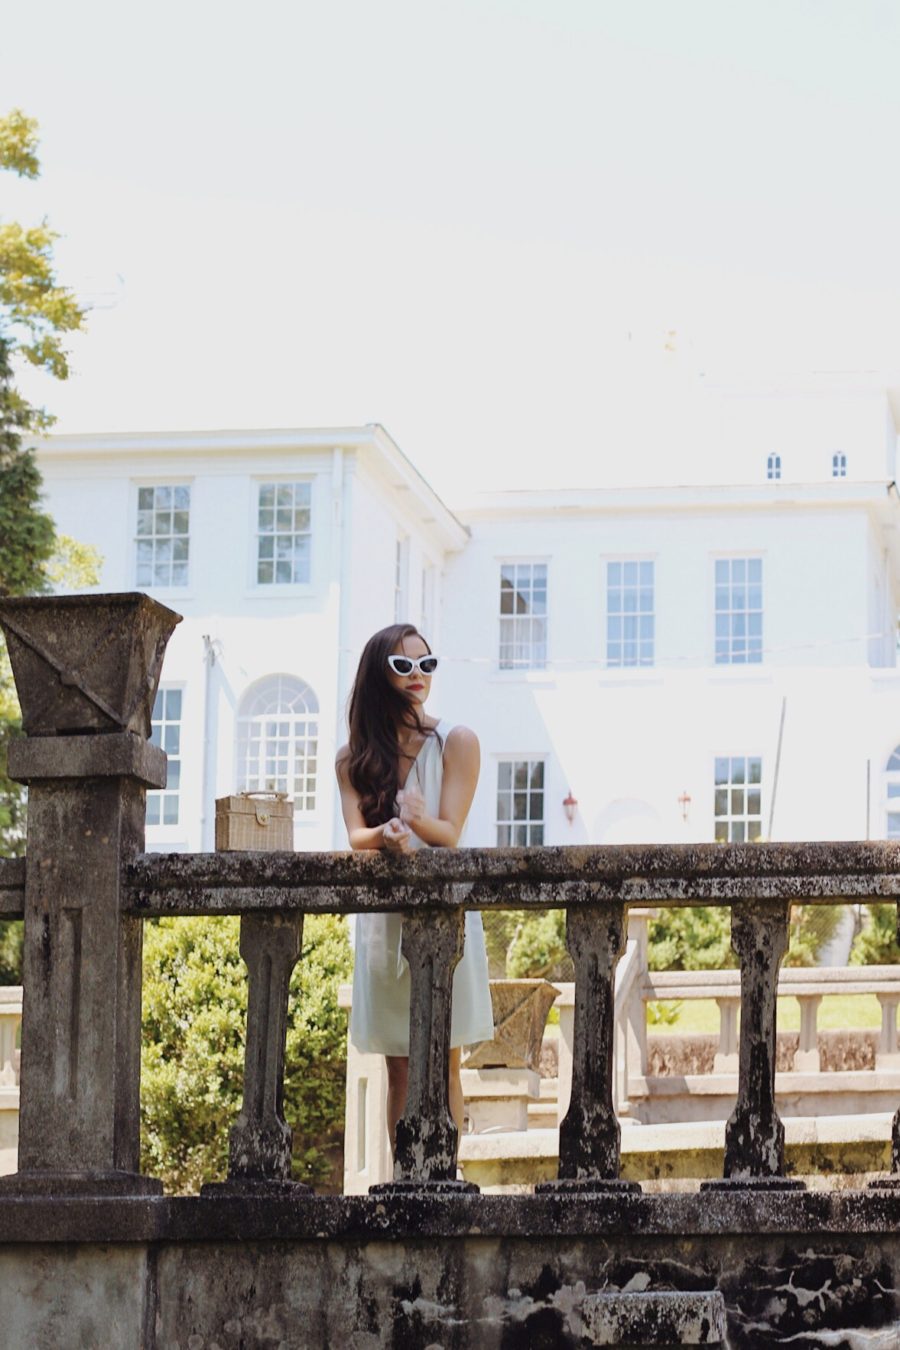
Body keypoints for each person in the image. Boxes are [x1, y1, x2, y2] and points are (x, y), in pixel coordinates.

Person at [335, 623, 494, 1154]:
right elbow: (358, 834)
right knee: (398, 1064)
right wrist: (388, 833)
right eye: (403, 666)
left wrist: (417, 823)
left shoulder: (457, 742)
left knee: (444, 1056)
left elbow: (450, 835)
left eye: (427, 665)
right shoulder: (353, 756)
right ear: (379, 673)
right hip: (384, 923)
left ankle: (445, 1182)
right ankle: (406, 1184)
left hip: (445, 920)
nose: (418, 676)